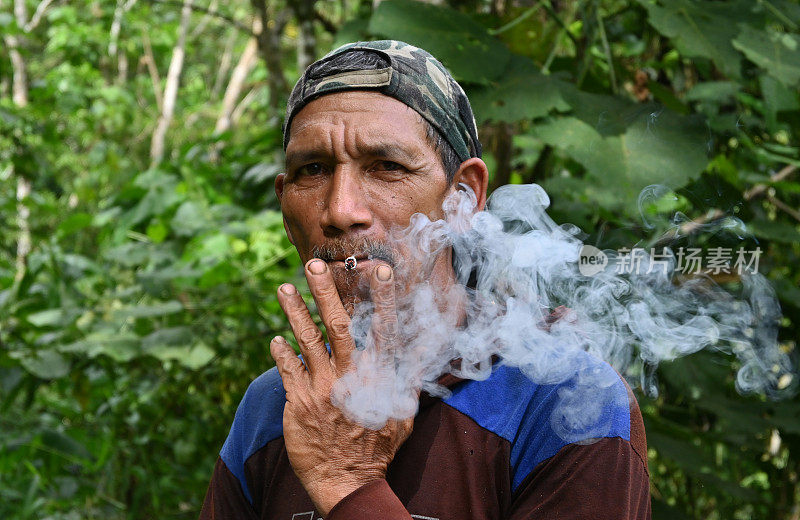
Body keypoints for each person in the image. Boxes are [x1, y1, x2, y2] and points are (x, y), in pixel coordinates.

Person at [200, 40, 650, 520]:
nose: (339, 210)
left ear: (463, 197)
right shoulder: (278, 405)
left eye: (386, 167)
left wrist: (347, 483)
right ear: (286, 210)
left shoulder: (563, 400)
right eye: (313, 170)